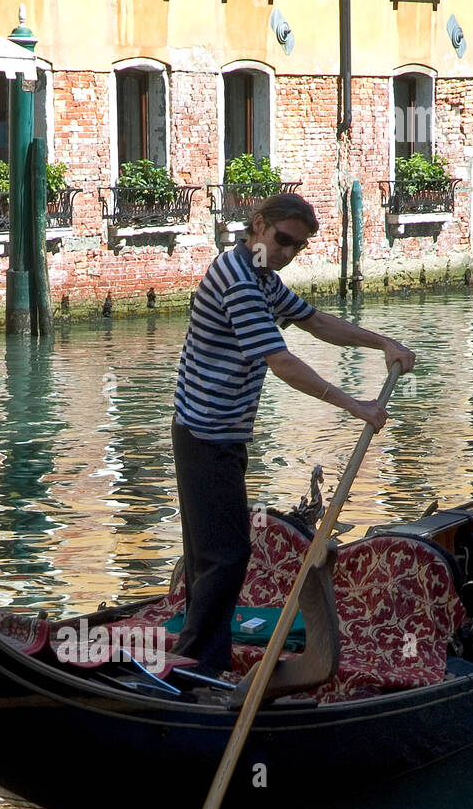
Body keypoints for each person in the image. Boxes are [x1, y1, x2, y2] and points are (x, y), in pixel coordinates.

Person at [172, 192, 416, 677]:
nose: (286, 252)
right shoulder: (239, 280)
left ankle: (194, 660)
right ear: (258, 226)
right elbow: (280, 361)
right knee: (224, 556)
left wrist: (382, 341)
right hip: (206, 434)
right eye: (282, 240)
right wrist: (356, 406)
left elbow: (315, 321)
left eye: (296, 248)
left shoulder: (262, 276)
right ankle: (197, 667)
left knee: (211, 554)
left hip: (220, 433)